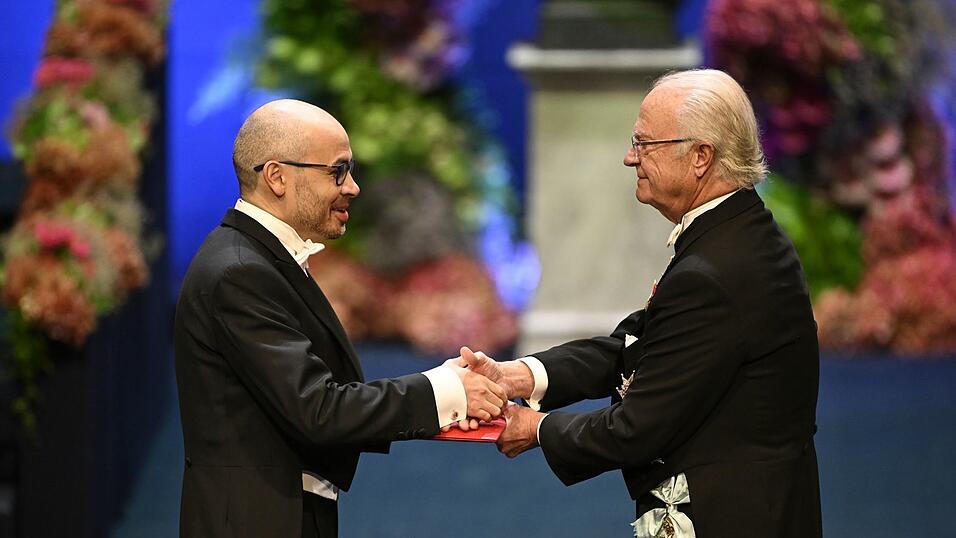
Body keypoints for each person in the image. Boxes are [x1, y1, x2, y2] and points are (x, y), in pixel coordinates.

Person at [463, 69, 822, 537]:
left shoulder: (715, 271)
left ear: (700, 156)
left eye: (644, 144)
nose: (630, 158)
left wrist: (536, 429)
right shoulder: (740, 234)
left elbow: (635, 430)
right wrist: (519, 375)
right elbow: (636, 344)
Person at [174, 99, 506, 538]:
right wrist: (443, 391)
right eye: (337, 171)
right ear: (277, 177)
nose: (352, 187)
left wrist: (443, 389)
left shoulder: (257, 259)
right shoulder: (240, 272)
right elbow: (318, 409)